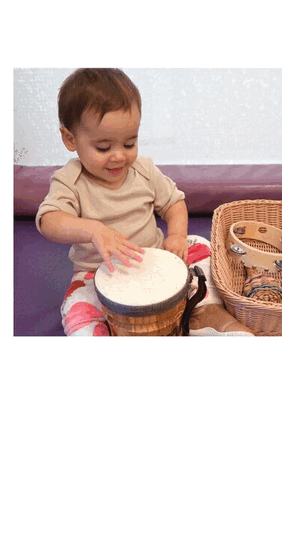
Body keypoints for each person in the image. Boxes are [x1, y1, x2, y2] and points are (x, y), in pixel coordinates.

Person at [35, 68, 252, 336]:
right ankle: (96, 332)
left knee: (201, 247)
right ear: (70, 139)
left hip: (155, 259)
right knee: (77, 305)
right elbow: (49, 221)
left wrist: (175, 236)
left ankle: (202, 312)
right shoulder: (70, 180)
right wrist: (94, 230)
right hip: (99, 275)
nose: (118, 156)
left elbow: (174, 204)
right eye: (103, 148)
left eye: (129, 143)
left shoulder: (144, 170)